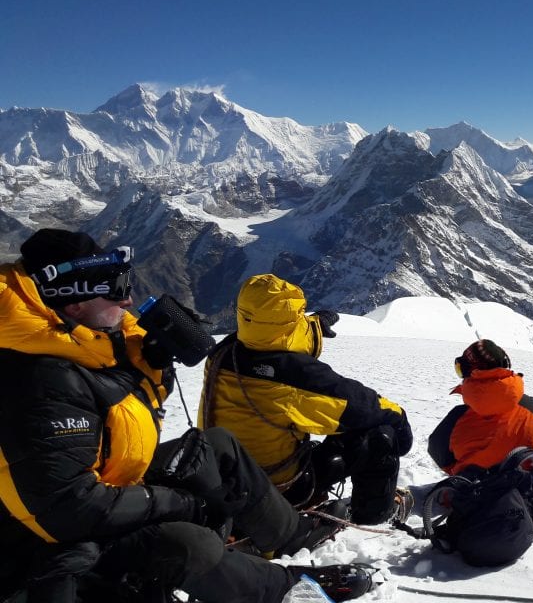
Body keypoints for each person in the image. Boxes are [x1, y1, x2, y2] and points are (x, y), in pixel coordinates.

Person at [0, 229, 375, 603]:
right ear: (72, 303)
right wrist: (175, 501)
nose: (128, 298)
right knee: (187, 544)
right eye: (114, 289)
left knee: (217, 447)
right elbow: (69, 509)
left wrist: (149, 364)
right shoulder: (38, 378)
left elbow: (117, 414)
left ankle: (291, 534)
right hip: (50, 540)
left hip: (108, 482)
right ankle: (285, 588)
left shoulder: (83, 338)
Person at [198, 273, 413, 526]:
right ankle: (375, 515)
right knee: (380, 435)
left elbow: (272, 337)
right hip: (278, 489)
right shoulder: (295, 378)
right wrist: (399, 419)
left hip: (223, 477)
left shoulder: (223, 352)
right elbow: (358, 405)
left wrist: (314, 326)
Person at [427, 339, 533, 478]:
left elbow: (439, 454)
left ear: (472, 372)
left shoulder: (458, 417)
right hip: (525, 495)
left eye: (461, 369)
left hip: (469, 494)